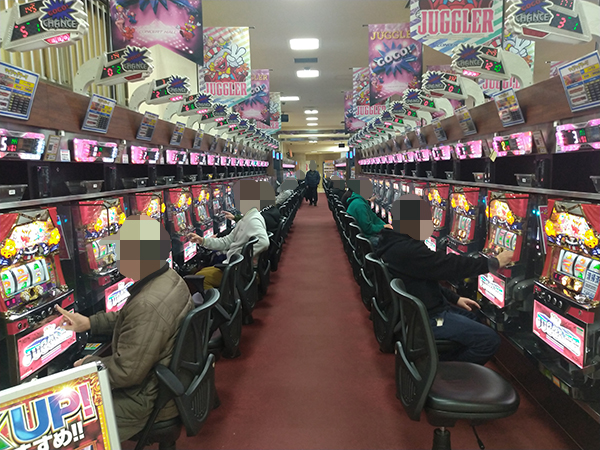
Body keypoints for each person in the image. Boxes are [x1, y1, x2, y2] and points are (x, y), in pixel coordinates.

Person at [57, 215, 193, 441]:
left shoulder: (147, 304)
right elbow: (131, 318)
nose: (115, 257)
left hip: (148, 400)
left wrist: (87, 365)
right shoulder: (168, 278)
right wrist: (90, 323)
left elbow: (126, 372)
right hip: (164, 384)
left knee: (64, 420)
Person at [375, 194, 514, 365]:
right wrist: (494, 263)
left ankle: (436, 358)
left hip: (421, 309)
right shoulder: (406, 250)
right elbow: (448, 265)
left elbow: (424, 278)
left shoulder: (393, 240)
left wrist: (455, 298)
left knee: (474, 317)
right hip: (425, 318)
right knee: (490, 340)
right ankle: (440, 369)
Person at [189, 180, 270, 290]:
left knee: (198, 279)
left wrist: (241, 257)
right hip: (236, 266)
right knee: (203, 271)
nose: (235, 202)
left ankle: (223, 300)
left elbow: (264, 242)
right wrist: (202, 241)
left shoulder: (253, 220)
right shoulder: (247, 218)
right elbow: (226, 241)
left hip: (240, 270)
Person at [345, 179, 392, 247]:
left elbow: (374, 217)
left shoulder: (359, 201)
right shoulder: (360, 205)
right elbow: (368, 229)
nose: (372, 192)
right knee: (390, 243)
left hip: (362, 235)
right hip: (366, 238)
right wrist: (383, 226)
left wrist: (386, 226)